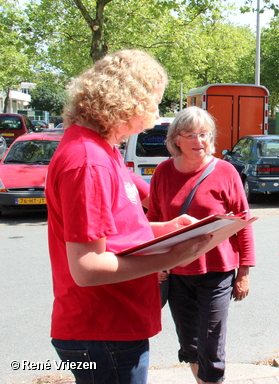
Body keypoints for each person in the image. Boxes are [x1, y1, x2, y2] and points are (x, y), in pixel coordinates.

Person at [46, 50, 217, 384]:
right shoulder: (88, 161)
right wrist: (174, 255)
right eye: (152, 105)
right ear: (129, 103)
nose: (151, 118)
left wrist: (165, 228)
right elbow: (87, 268)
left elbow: (116, 227)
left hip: (112, 326)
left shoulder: (102, 149)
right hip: (103, 329)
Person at [146, 106, 255, 384]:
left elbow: (243, 223)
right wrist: (155, 264)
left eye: (204, 134)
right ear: (176, 139)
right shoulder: (162, 172)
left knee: (211, 341)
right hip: (176, 273)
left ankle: (212, 379)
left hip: (217, 272)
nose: (199, 141)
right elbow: (153, 221)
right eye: (191, 135)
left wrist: (244, 272)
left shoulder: (226, 171)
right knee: (190, 343)